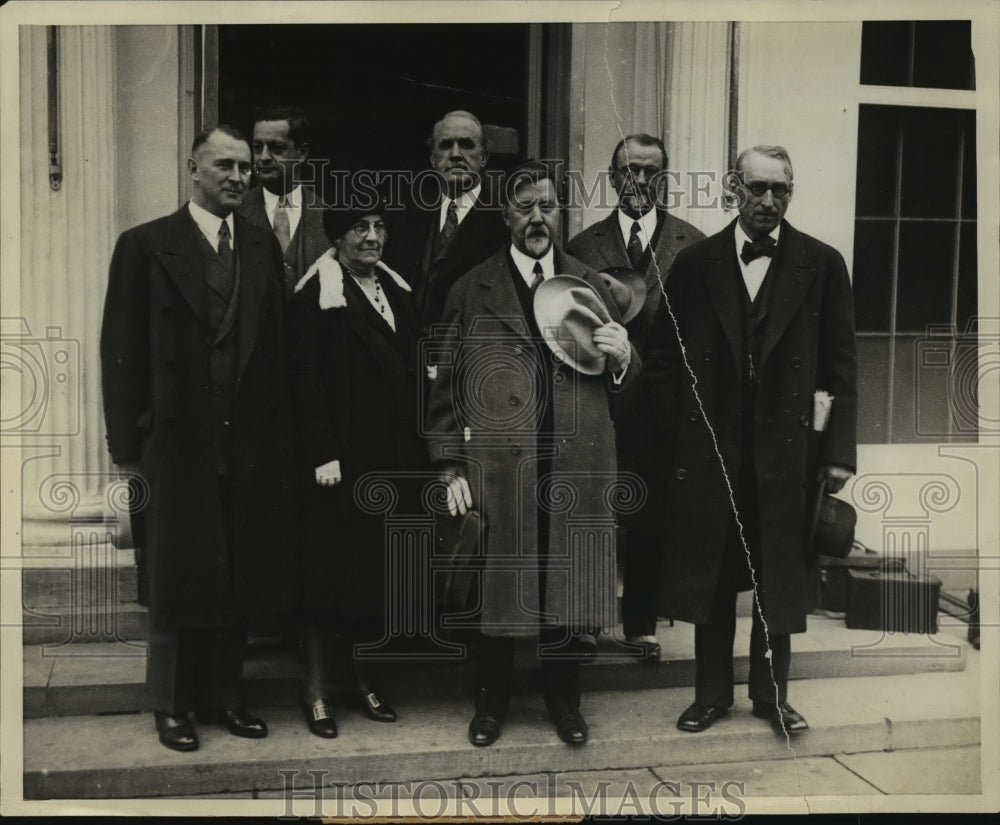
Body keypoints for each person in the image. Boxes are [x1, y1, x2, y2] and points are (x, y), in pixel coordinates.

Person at [425, 162, 638, 747]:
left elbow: (627, 382)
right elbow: (441, 384)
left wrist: (624, 359)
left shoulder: (591, 286)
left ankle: (565, 704)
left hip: (576, 462)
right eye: (525, 208)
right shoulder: (471, 288)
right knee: (501, 582)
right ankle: (489, 706)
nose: (537, 218)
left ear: (559, 211)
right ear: (505, 215)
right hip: (500, 464)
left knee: (568, 586)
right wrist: (447, 464)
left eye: (547, 205)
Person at [648, 145, 857, 736]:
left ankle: (772, 698)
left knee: (778, 573)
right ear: (732, 188)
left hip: (787, 455)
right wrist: (684, 430)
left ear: (791, 193)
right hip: (714, 452)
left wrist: (839, 453)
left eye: (780, 190)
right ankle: (711, 694)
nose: (768, 201)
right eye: (757, 188)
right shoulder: (695, 264)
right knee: (713, 573)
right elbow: (660, 360)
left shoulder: (822, 264)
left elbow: (842, 369)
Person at [100, 125, 297, 752]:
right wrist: (127, 453)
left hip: (248, 443)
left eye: (245, 167)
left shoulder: (264, 247)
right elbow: (120, 353)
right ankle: (172, 707)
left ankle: (227, 699)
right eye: (224, 166)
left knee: (236, 575)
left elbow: (278, 355)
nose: (238, 176)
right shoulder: (146, 245)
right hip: (175, 444)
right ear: (193, 168)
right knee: (178, 576)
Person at [286, 178, 426, 738]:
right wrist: (323, 451)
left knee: (372, 576)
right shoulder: (315, 294)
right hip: (339, 465)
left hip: (390, 460)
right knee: (328, 575)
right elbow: (303, 377)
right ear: (338, 237)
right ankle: (318, 688)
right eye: (360, 228)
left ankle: (361, 677)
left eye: (380, 227)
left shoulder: (397, 290)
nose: (373, 237)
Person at [567, 133, 705, 661]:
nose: (639, 182)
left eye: (650, 172)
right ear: (611, 176)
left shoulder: (692, 245)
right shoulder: (582, 247)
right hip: (598, 398)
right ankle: (583, 619)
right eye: (628, 170)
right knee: (591, 508)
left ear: (664, 179)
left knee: (649, 513)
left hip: (662, 405)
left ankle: (640, 622)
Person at [386, 110, 508, 328]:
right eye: (445, 145)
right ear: (433, 159)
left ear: (484, 157)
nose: (455, 154)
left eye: (466, 144)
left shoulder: (503, 220)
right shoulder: (407, 216)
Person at [239, 106, 329, 298]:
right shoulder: (234, 211)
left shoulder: (327, 214)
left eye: (276, 148)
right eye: (257, 148)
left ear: (302, 153)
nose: (263, 157)